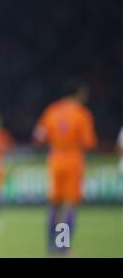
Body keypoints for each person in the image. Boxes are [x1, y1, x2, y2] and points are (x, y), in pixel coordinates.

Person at [33, 81, 97, 255]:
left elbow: (39, 136)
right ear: (79, 93)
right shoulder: (82, 114)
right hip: (73, 159)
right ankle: (62, 246)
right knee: (68, 205)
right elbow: (89, 142)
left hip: (55, 158)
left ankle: (50, 244)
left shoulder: (51, 111)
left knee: (54, 203)